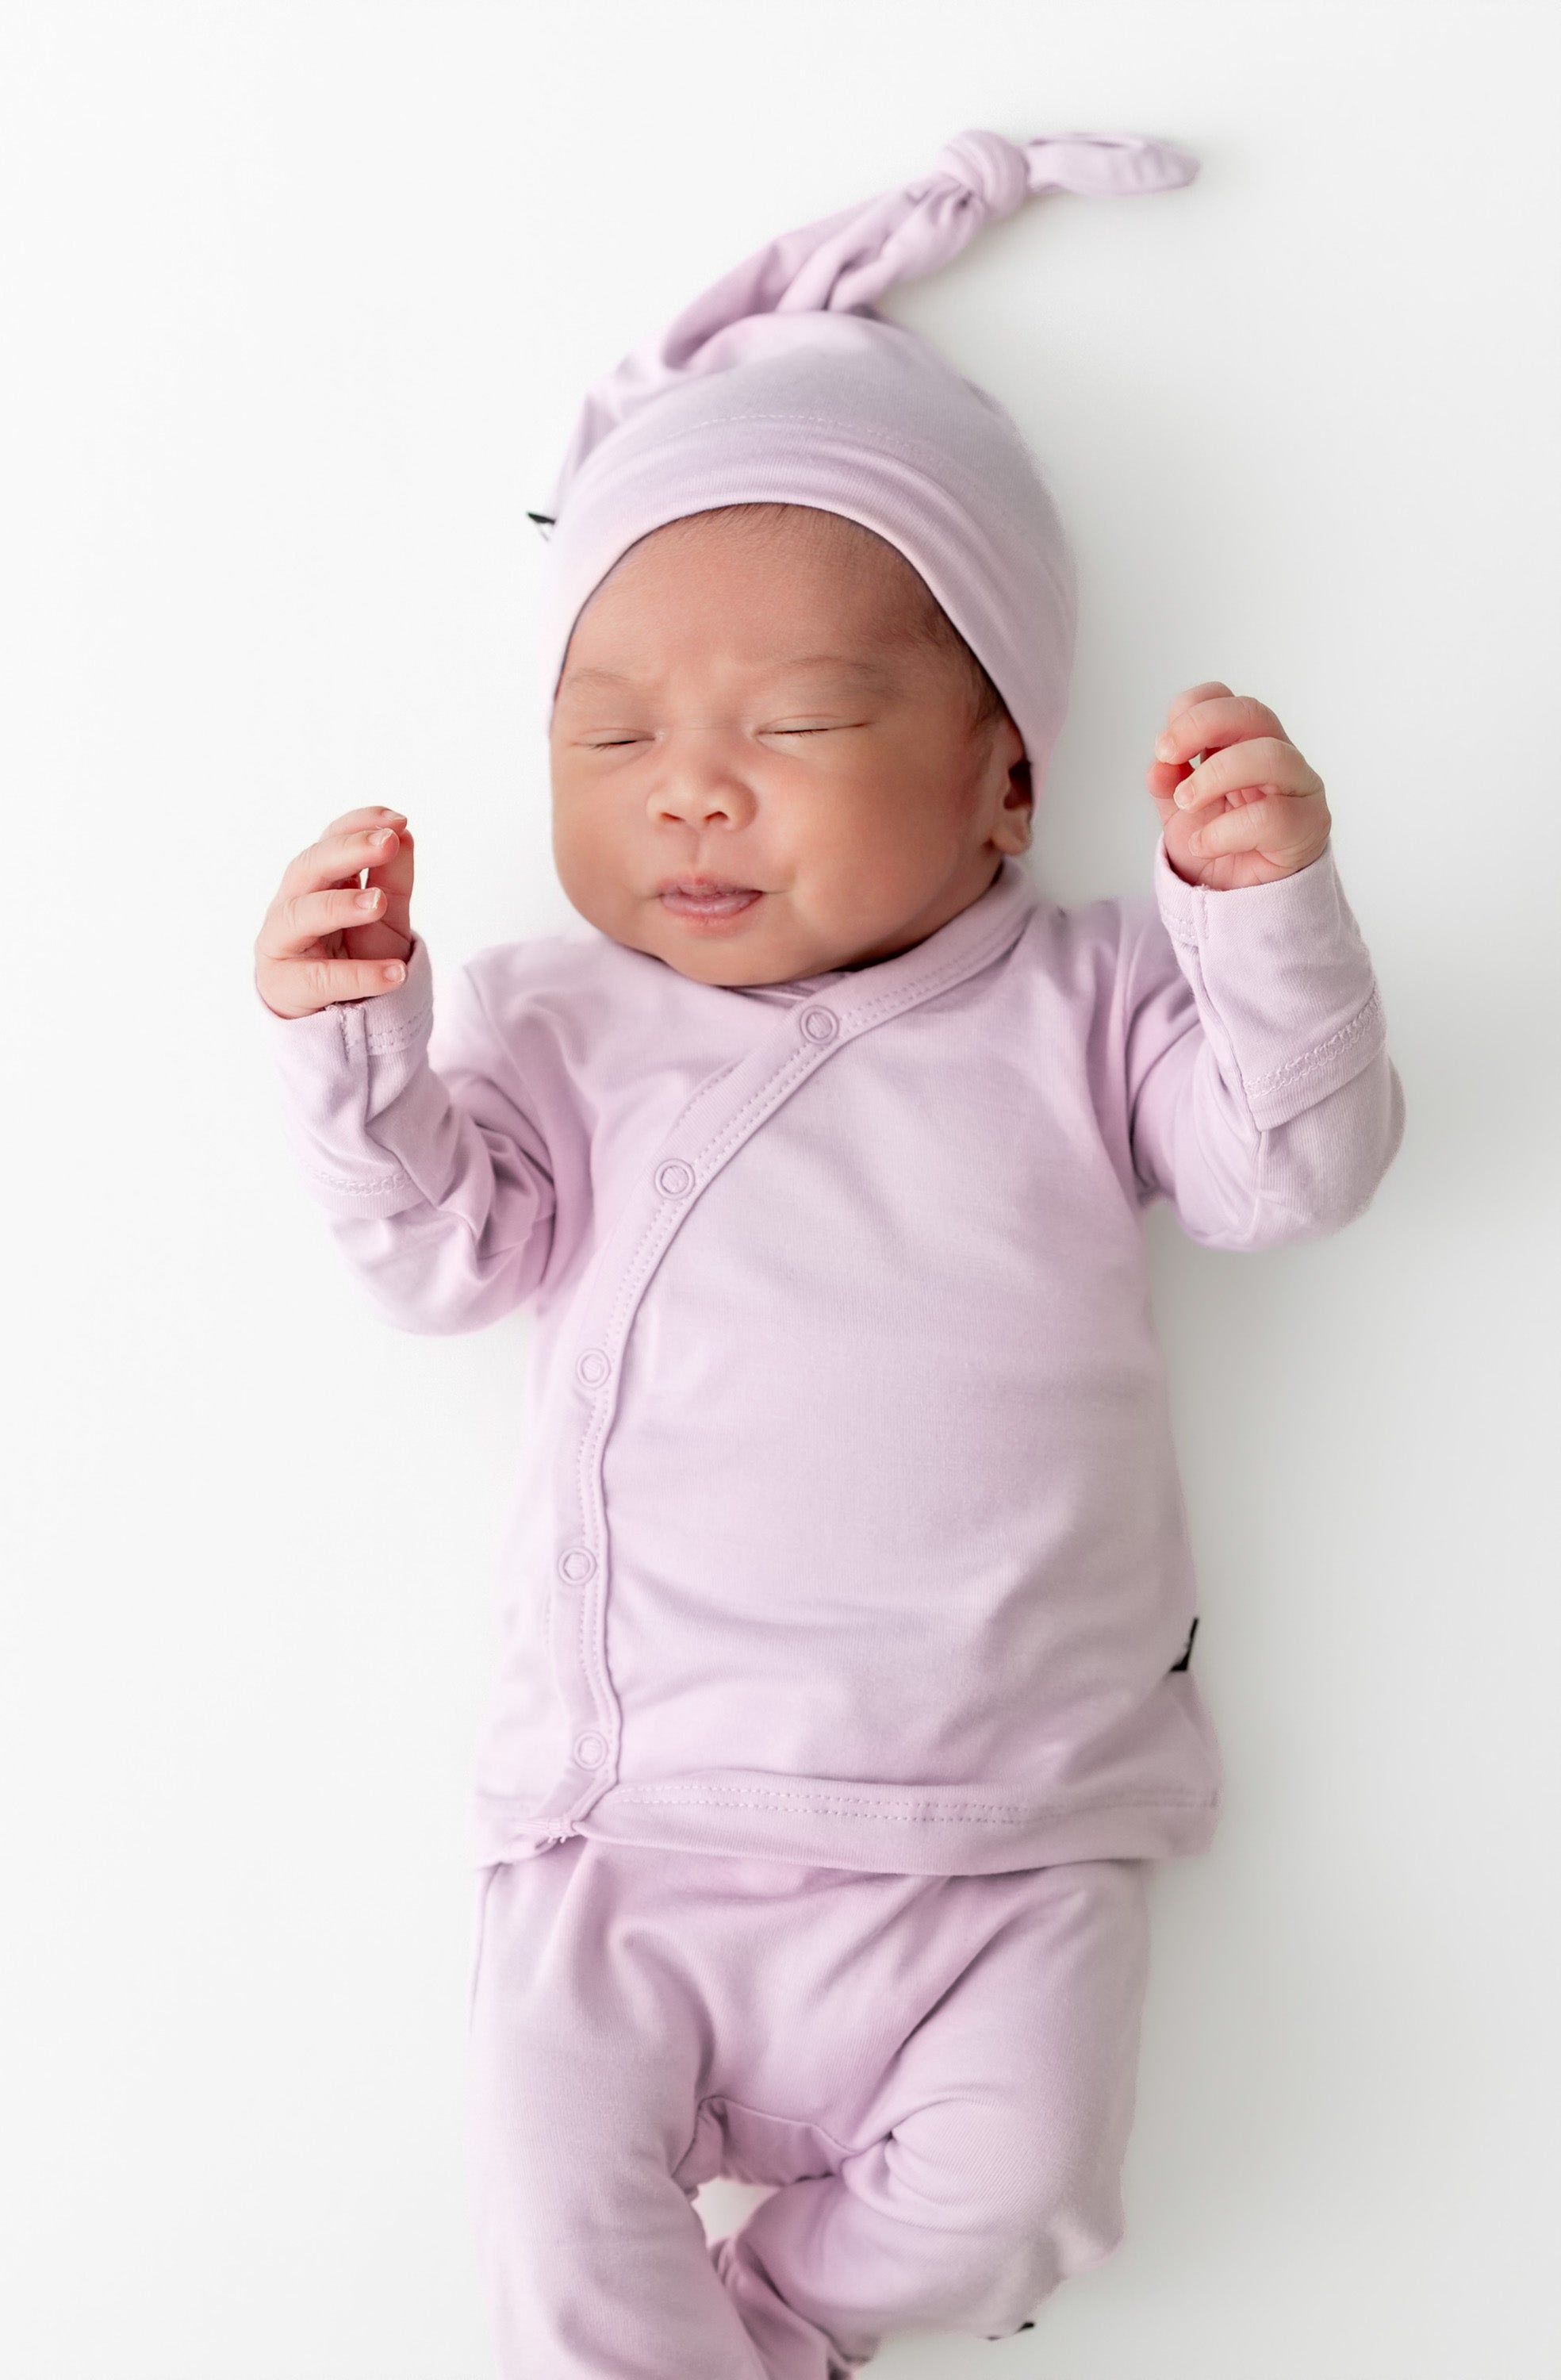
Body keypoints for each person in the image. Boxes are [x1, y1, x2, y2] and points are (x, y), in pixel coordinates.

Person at [254, 129, 1405, 2378]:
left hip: (1004, 1829)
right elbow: (439, 1260)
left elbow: (1299, 1167)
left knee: (1028, 2185)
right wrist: (349, 1057)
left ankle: (767, 2346)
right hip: (633, 1823)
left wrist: (1261, 920)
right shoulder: (562, 1026)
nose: (693, 786)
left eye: (790, 727)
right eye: (616, 734)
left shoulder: (1081, 1005)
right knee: (564, 2241)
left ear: (1003, 780)